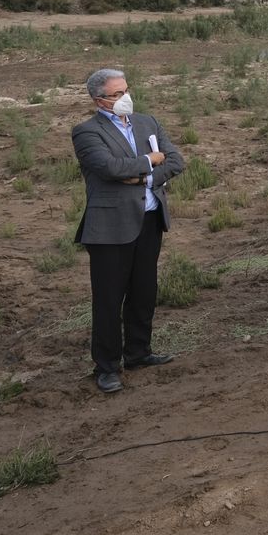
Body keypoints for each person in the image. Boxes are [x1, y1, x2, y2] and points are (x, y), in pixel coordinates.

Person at [72, 68, 186, 394]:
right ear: (99, 100)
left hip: (149, 220)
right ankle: (106, 366)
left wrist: (143, 177)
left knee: (144, 291)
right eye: (116, 94)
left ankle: (139, 352)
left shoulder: (147, 122)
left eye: (126, 90)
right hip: (110, 228)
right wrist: (152, 159)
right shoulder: (86, 132)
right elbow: (109, 167)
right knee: (109, 299)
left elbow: (176, 160)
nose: (125, 98)